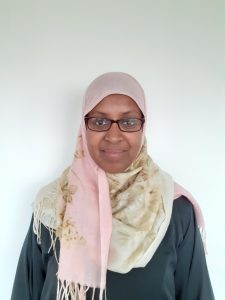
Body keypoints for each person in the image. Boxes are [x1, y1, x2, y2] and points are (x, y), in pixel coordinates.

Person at [11, 72, 214, 300]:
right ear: (84, 126)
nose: (114, 135)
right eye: (99, 121)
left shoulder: (173, 209)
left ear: (143, 127)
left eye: (128, 122)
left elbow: (197, 294)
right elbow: (25, 292)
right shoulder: (52, 206)